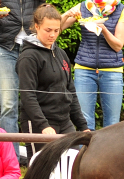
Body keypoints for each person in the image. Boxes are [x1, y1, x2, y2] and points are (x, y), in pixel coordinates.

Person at [16, 4, 89, 159]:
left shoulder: (61, 54)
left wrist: (83, 126)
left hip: (64, 120)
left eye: (56, 30)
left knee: (71, 167)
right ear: (36, 26)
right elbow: (27, 96)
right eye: (48, 30)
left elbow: (71, 92)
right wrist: (43, 126)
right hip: (39, 122)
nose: (53, 35)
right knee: (40, 173)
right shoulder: (28, 57)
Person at [0, 0, 43, 164]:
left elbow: (44, 14)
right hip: (4, 50)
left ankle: (36, 157)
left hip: (32, 49)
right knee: (8, 105)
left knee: (34, 103)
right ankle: (11, 159)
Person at [61, 0, 124, 130]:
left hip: (112, 71)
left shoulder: (121, 9)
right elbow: (57, 28)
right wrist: (67, 14)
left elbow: (118, 45)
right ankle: (85, 151)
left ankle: (110, 151)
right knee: (84, 121)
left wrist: (102, 28)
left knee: (112, 122)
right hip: (84, 70)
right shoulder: (83, 6)